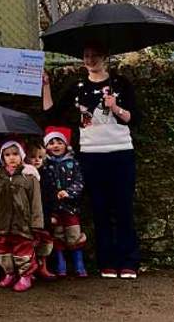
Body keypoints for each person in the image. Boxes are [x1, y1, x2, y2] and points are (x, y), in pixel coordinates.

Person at [43, 43, 141, 279]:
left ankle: (129, 261)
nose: (90, 60)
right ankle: (107, 262)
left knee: (123, 208)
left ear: (105, 57)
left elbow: (134, 118)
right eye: (86, 56)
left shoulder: (120, 83)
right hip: (91, 154)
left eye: (95, 56)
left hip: (120, 152)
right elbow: (52, 114)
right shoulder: (77, 85)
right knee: (100, 208)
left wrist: (115, 107)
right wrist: (45, 86)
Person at [0, 141, 43, 292]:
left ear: (21, 155)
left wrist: (36, 223)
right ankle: (9, 273)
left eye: (15, 154)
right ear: (2, 157)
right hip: (2, 223)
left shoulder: (29, 177)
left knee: (23, 250)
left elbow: (36, 202)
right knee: (3, 250)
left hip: (22, 223)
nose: (12, 158)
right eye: (7, 155)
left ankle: (25, 275)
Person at [42, 126, 87, 278]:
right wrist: (52, 196)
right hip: (54, 207)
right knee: (58, 235)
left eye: (59, 142)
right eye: (51, 143)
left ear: (66, 145)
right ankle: (61, 265)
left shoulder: (73, 163)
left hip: (70, 206)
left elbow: (79, 181)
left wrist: (69, 192)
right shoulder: (46, 165)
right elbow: (44, 185)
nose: (55, 146)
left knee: (74, 234)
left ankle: (79, 264)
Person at [25, 142, 56, 281]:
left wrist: (52, 214)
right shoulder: (25, 175)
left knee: (45, 241)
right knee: (29, 242)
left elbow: (51, 197)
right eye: (33, 157)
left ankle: (43, 266)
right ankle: (30, 268)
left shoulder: (47, 175)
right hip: (29, 215)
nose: (37, 160)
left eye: (40, 157)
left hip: (45, 214)